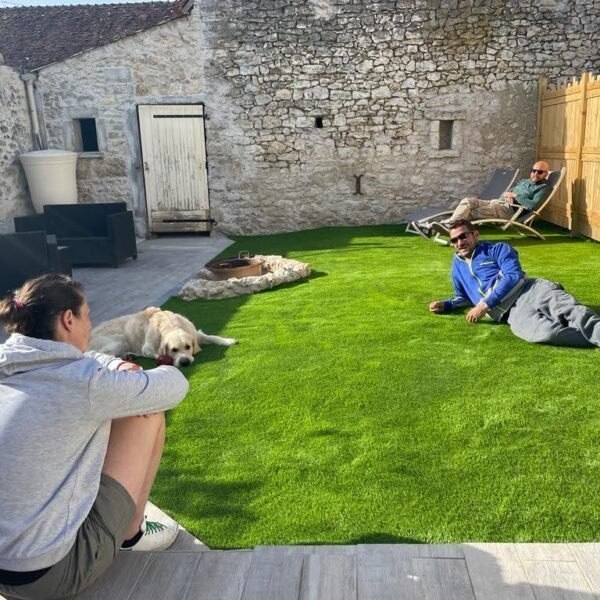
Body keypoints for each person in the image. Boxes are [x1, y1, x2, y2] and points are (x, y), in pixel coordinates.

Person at [0, 273, 189, 600]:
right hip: (48, 576)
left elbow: (80, 360)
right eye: (88, 316)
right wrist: (135, 376)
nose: (91, 325)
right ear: (68, 320)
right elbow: (174, 386)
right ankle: (133, 533)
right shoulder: (83, 383)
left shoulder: (11, 364)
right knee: (145, 415)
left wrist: (113, 365)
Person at [429, 219, 600, 347]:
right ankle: (593, 338)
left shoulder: (498, 249)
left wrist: (484, 305)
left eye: (463, 236)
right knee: (547, 333)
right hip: (511, 314)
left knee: (572, 313)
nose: (459, 243)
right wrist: (447, 305)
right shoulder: (457, 268)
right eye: (454, 240)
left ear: (475, 234)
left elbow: (513, 275)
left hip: (531, 290)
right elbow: (463, 297)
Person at [416, 161, 552, 237]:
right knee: (468, 201)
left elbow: (533, 205)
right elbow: (507, 192)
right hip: (497, 202)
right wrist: (506, 194)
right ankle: (446, 225)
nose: (535, 173)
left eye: (539, 172)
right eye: (533, 170)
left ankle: (434, 228)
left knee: (471, 213)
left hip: (509, 211)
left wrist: (515, 196)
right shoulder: (523, 181)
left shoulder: (543, 188)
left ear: (545, 174)